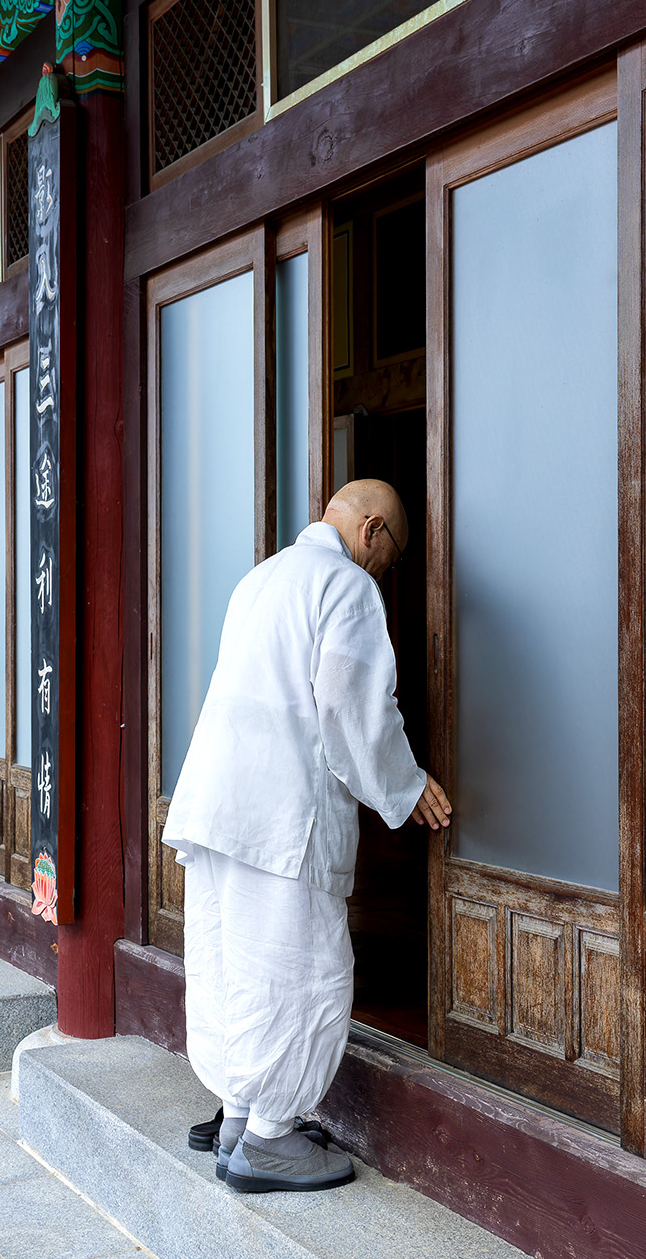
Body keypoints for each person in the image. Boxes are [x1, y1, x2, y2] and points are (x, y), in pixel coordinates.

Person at [162, 479, 453, 1194]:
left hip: (218, 804)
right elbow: (352, 709)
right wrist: (406, 786)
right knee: (298, 972)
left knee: (235, 967)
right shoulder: (345, 586)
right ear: (373, 530)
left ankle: (238, 1119)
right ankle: (269, 1139)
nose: (382, 571)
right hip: (281, 816)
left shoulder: (259, 580)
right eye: (389, 558)